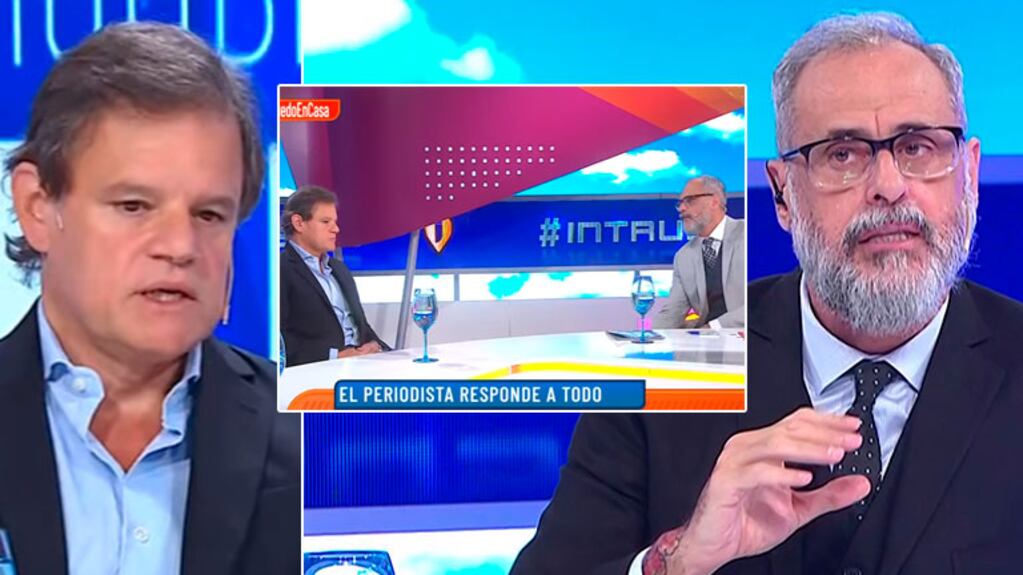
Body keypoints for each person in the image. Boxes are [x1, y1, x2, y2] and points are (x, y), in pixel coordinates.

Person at [512, 12, 1023, 575]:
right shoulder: (661, 375)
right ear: (782, 194)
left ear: (969, 175)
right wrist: (679, 562)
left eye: (919, 148)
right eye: (843, 154)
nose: (888, 186)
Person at [0, 22, 298, 575]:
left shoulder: (308, 435)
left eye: (209, 214)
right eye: (134, 206)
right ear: (38, 206)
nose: (181, 247)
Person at [280, 185, 390, 367]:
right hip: (319, 371)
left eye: (335, 222)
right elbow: (280, 340)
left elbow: (361, 326)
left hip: (364, 364)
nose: (336, 229)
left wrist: (375, 345)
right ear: (299, 223)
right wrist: (334, 356)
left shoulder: (339, 270)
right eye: (325, 222)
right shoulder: (281, 271)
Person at [653, 175, 745, 329]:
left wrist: (713, 327)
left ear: (714, 201)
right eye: (680, 203)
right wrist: (649, 338)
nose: (681, 209)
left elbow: (760, 300)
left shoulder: (747, 234)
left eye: (689, 201)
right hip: (706, 340)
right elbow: (673, 313)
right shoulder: (684, 257)